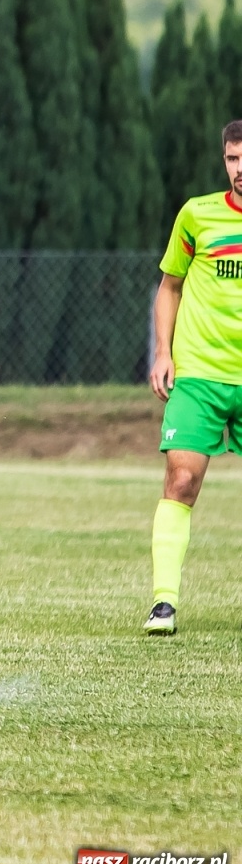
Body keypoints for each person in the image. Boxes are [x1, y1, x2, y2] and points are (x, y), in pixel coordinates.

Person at [143, 118, 242, 636]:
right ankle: (164, 604)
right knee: (182, 479)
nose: (240, 169)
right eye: (232, 158)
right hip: (200, 373)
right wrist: (164, 351)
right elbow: (170, 285)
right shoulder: (196, 215)